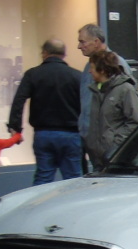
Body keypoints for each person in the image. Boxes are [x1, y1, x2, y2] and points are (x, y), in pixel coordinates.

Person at [8, 38, 82, 185]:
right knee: (73, 180)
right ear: (63, 54)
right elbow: (87, 104)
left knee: (43, 178)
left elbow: (19, 101)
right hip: (71, 135)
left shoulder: (33, 74)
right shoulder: (77, 76)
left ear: (44, 53)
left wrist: (15, 128)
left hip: (43, 134)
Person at [76, 24, 131, 170]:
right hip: (91, 140)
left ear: (96, 41)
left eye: (82, 42)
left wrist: (116, 140)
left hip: (108, 144)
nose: (79, 46)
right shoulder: (89, 67)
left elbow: (129, 109)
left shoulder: (117, 64)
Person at [86, 50, 138, 171]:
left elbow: (135, 121)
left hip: (116, 158)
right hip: (97, 158)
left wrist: (116, 145)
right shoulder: (96, 91)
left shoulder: (125, 89)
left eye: (92, 68)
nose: (90, 71)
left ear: (102, 70)